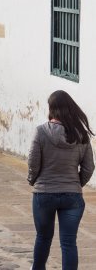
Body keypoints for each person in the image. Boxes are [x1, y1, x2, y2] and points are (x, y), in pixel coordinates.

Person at [27, 90, 95, 269]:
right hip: (72, 196)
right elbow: (89, 167)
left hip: (44, 194)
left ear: (51, 109)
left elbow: (33, 162)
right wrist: (75, 183)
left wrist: (33, 180)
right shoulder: (81, 135)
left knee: (43, 238)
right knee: (69, 243)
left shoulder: (41, 132)